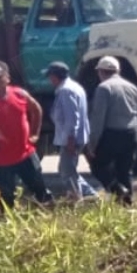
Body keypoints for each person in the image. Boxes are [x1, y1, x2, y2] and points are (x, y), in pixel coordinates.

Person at [0, 60, 53, 211]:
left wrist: (35, 133)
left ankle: (50, 216)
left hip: (26, 153)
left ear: (7, 77)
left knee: (41, 190)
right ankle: (7, 222)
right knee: (8, 196)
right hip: (3, 158)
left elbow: (37, 110)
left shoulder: (20, 94)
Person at [87, 56, 137, 206]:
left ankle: (118, 189)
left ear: (101, 72)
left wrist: (92, 144)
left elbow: (98, 119)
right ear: (118, 71)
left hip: (111, 134)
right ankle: (127, 203)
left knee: (98, 166)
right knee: (125, 170)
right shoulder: (131, 87)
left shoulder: (104, 88)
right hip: (132, 133)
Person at [44, 61, 99, 202]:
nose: (49, 80)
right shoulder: (74, 87)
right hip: (75, 136)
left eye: (50, 76)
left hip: (71, 138)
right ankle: (90, 195)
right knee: (67, 169)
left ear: (56, 76)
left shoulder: (66, 91)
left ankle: (78, 197)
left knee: (67, 171)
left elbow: (72, 117)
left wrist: (70, 139)